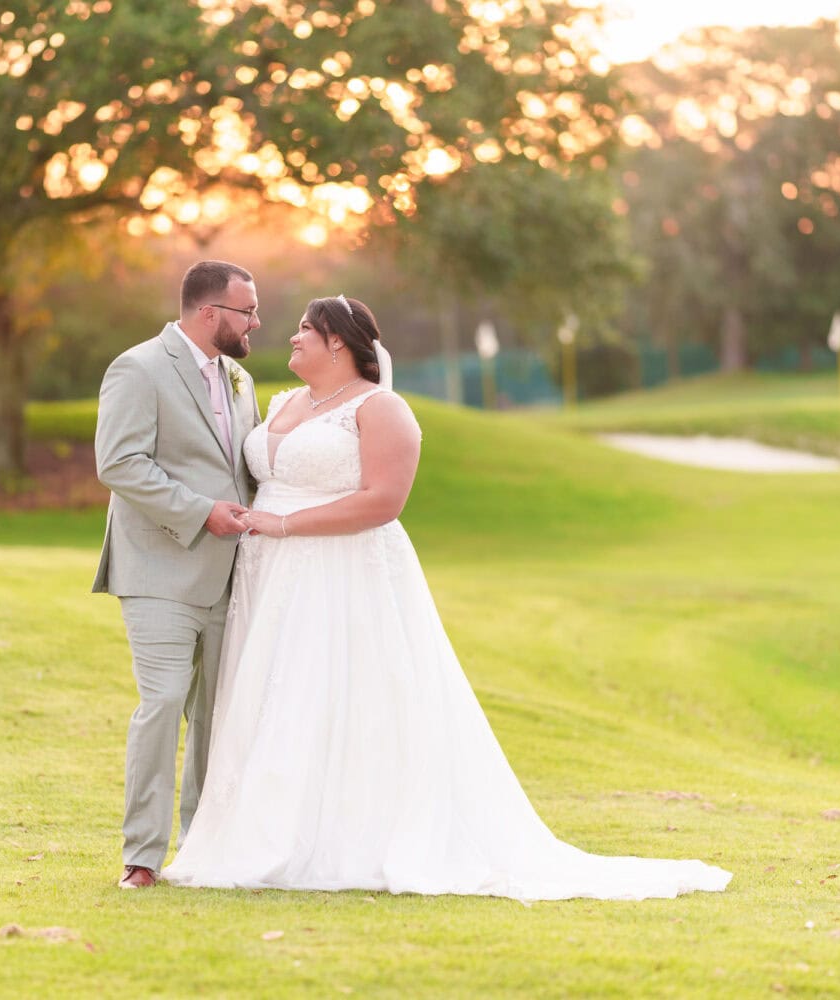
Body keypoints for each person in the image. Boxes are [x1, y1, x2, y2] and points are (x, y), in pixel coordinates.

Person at [162, 295, 732, 900]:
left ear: (337, 342)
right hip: (267, 577)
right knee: (273, 695)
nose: (292, 337)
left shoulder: (382, 409)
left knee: (332, 690)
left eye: (306, 329)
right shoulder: (281, 402)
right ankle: (256, 834)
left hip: (338, 570)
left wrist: (280, 525)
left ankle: (341, 840)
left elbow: (382, 503)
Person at [92, 260, 263, 890]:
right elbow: (119, 463)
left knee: (217, 715)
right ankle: (141, 857)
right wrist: (200, 514)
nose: (256, 321)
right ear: (211, 313)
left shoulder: (240, 378)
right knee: (162, 704)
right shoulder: (137, 368)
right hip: (159, 569)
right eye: (247, 310)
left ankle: (199, 849)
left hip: (231, 577)